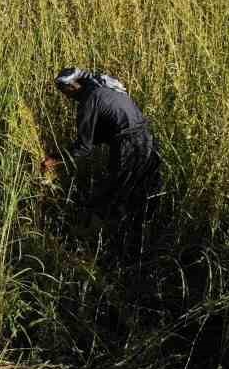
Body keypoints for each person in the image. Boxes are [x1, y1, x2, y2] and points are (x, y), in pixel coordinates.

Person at [43, 67, 162, 262]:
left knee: (112, 193)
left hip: (129, 145)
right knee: (140, 195)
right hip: (148, 139)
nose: (66, 97)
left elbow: (84, 147)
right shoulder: (106, 89)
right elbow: (107, 131)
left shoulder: (89, 100)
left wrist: (55, 159)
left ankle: (92, 246)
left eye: (64, 91)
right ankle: (139, 247)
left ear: (73, 86)